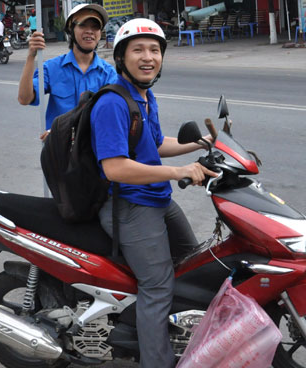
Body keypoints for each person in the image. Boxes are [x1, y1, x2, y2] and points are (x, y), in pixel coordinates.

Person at [90, 18, 217, 368]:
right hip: (129, 205)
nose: (148, 57)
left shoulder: (144, 97)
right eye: (138, 50)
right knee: (157, 287)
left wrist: (201, 144)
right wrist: (179, 172)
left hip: (156, 197)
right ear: (121, 57)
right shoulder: (112, 103)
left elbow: (156, 144)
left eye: (155, 50)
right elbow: (114, 167)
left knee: (194, 260)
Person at [17, 4, 117, 139]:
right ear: (71, 30)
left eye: (95, 27)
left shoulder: (108, 74)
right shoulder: (52, 67)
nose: (90, 31)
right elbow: (25, 98)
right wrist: (31, 56)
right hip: (59, 153)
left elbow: (112, 116)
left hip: (95, 153)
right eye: (83, 25)